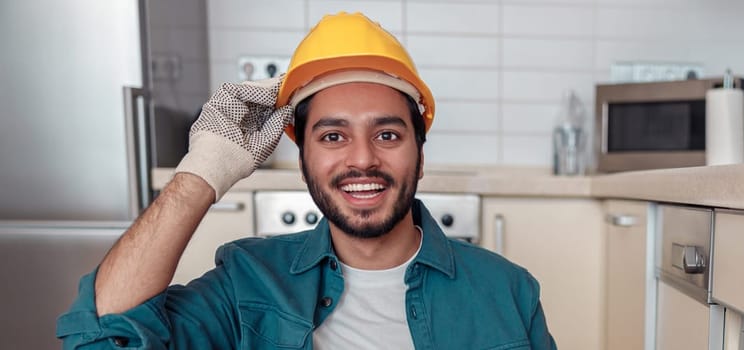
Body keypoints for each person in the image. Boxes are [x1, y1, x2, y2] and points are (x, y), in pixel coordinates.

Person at [56, 12, 555, 349]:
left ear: (420, 156)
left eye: (387, 133)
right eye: (333, 136)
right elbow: (103, 336)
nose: (363, 159)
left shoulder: (509, 291)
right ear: (303, 161)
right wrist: (201, 172)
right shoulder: (246, 282)